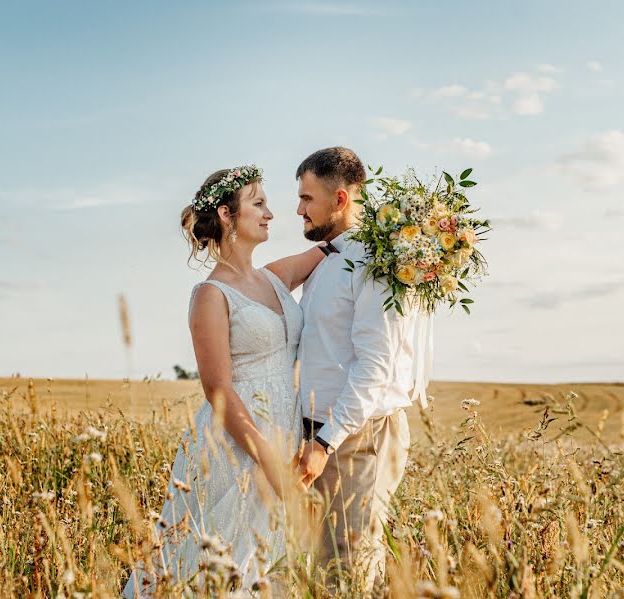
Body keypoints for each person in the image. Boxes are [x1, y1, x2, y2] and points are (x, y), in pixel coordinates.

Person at [123, 165, 325, 596]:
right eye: (259, 204)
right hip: (236, 447)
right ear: (227, 215)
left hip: (283, 430)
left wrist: (404, 232)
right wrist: (270, 461)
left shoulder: (275, 276)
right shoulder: (210, 295)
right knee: (218, 565)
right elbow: (217, 390)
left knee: (268, 568)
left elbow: (331, 248)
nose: (272, 213)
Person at [293, 147, 422, 590]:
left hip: (356, 437)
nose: (299, 209)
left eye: (308, 198)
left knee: (349, 570)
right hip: (320, 434)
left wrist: (325, 442)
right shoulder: (325, 261)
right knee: (320, 568)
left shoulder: (374, 264)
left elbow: (376, 367)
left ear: (341, 199)